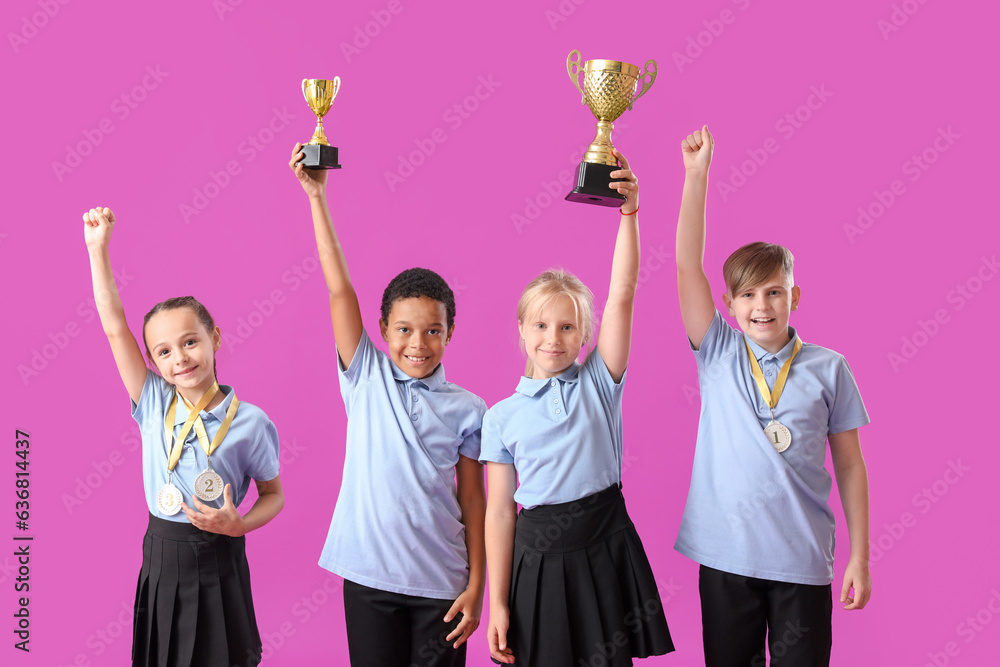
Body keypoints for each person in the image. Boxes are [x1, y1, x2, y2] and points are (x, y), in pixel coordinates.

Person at [673, 126, 872, 666]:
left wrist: (861, 557)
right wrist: (698, 177)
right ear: (729, 303)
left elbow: (850, 467)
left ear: (794, 296)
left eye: (774, 292)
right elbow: (687, 264)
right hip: (726, 560)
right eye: (747, 294)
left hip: (803, 562)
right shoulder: (716, 351)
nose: (761, 305)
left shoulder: (829, 368)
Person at [288, 144, 487, 667]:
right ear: (382, 331)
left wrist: (477, 585)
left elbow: (473, 502)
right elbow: (339, 289)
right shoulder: (365, 374)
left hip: (442, 584)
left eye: (432, 331)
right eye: (403, 329)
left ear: (449, 333)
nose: (417, 344)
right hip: (370, 580)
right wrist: (316, 196)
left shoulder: (470, 408)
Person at [482, 151, 674, 666]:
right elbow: (499, 512)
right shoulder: (500, 418)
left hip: (604, 543)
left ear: (584, 334)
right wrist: (496, 602)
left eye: (568, 327)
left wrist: (629, 213)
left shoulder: (600, 382)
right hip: (537, 556)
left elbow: (622, 295)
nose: (554, 338)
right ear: (521, 330)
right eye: (542, 325)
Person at [83, 207, 284, 667]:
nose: (181, 357)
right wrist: (99, 250)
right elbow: (113, 324)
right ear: (153, 362)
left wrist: (242, 524)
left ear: (214, 337)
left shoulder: (252, 421)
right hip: (162, 550)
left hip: (220, 551)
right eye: (164, 351)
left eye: (191, 341)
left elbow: (274, 495)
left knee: (223, 656)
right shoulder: (153, 399)